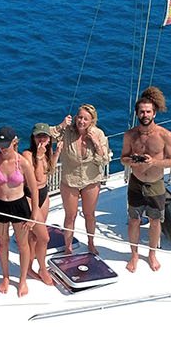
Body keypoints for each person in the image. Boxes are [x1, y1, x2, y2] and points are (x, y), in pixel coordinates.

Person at [121, 86, 171, 272]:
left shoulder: (165, 135)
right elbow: (123, 157)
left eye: (148, 111)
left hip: (155, 184)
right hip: (136, 183)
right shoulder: (130, 135)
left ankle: (152, 254)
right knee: (134, 220)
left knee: (155, 221)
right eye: (142, 111)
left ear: (154, 113)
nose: (145, 115)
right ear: (137, 113)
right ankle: (134, 255)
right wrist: (133, 162)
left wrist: (153, 162)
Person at [0, 126, 40, 296]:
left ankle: (22, 280)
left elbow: (34, 190)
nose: (2, 148)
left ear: (14, 142)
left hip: (19, 205)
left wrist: (34, 214)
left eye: (6, 145)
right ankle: (5, 276)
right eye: (0, 145)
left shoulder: (23, 163)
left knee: (22, 244)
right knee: (2, 243)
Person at [52, 103, 110, 255]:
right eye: (80, 117)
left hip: (91, 180)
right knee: (70, 215)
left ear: (92, 121)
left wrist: (96, 144)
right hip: (70, 180)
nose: (81, 121)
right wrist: (61, 125)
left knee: (89, 214)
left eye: (85, 119)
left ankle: (91, 243)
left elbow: (104, 160)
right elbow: (48, 136)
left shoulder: (98, 134)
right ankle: (68, 247)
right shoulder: (67, 132)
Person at [25, 123, 59, 285]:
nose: (42, 139)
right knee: (44, 237)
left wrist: (56, 152)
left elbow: (49, 172)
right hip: (31, 197)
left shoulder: (46, 152)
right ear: (33, 137)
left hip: (43, 195)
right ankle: (42, 268)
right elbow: (37, 178)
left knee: (34, 236)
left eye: (44, 136)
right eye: (39, 136)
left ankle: (29, 267)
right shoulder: (28, 155)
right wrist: (38, 157)